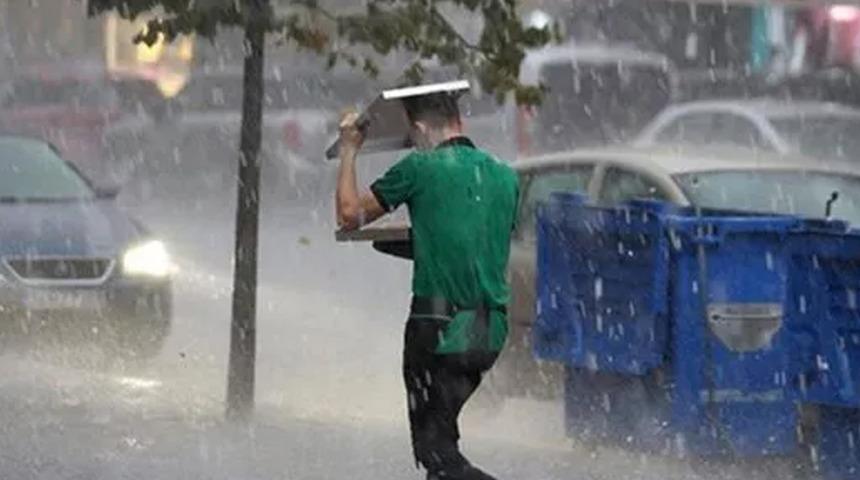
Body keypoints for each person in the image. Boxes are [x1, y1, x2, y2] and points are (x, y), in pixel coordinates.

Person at [335, 92, 519, 480]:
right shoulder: (505, 175)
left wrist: (351, 149)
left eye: (412, 136)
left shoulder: (421, 167)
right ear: (459, 123)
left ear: (419, 129)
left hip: (437, 327)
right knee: (441, 446)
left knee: (435, 453)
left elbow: (350, 214)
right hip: (489, 331)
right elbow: (469, 244)